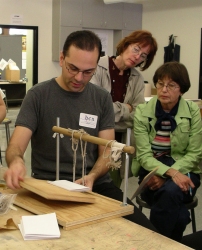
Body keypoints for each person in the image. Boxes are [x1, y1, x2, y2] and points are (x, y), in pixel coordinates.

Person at [4, 30, 157, 232]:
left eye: (88, 72)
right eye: (73, 68)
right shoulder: (38, 95)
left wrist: (92, 176)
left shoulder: (101, 98)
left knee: (146, 231)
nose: (79, 77)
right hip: (48, 186)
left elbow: (107, 150)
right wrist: (16, 161)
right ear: (61, 58)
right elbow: (16, 145)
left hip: (94, 185)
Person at [132, 61, 202, 241]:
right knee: (179, 215)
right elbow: (144, 155)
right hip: (151, 171)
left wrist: (169, 174)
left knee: (170, 192)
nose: (164, 89)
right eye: (160, 84)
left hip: (186, 170)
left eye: (171, 85)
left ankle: (154, 243)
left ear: (182, 89)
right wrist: (168, 173)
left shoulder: (193, 111)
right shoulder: (142, 111)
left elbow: (195, 154)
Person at [90, 30, 158, 187]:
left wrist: (110, 112)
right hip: (92, 139)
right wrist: (126, 108)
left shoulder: (137, 78)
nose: (137, 57)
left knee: (112, 188)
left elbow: (138, 115)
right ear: (126, 45)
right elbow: (94, 107)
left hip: (119, 144)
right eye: (136, 49)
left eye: (143, 55)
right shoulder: (97, 66)